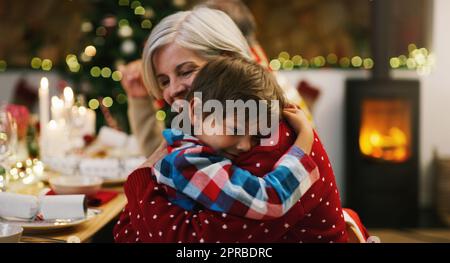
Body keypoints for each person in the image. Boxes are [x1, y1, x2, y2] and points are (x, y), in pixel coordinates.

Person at [113, 7, 347, 243]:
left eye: (186, 71)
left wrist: (140, 182)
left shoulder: (271, 139)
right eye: (164, 81)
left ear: (229, 63)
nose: (172, 90)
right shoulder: (214, 125)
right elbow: (130, 229)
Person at [152, 57, 319, 219]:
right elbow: (269, 200)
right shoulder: (188, 161)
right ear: (196, 112)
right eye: (235, 129)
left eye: (256, 136)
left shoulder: (194, 151)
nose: (246, 146)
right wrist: (304, 140)